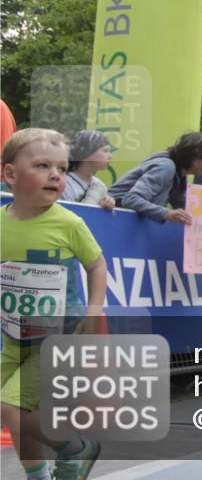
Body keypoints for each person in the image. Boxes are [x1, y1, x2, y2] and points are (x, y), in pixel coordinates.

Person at [1, 128, 108, 480]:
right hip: (16, 335)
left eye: (62, 169)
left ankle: (74, 447)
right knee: (16, 413)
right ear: (10, 175)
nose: (55, 175)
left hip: (59, 334)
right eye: (43, 165)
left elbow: (97, 264)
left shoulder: (68, 222)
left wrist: (93, 310)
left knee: (12, 407)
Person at [108, 132, 202, 224]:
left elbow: (184, 205)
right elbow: (131, 199)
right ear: (195, 159)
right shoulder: (166, 167)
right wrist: (166, 213)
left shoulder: (180, 174)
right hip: (112, 216)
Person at [62, 130, 115, 210]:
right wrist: (94, 195)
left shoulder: (100, 186)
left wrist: (108, 204)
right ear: (86, 153)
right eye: (105, 151)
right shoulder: (64, 183)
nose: (110, 156)